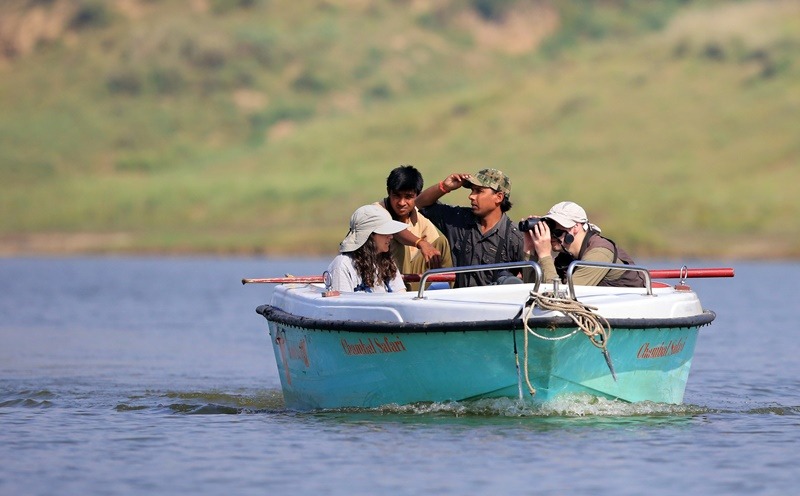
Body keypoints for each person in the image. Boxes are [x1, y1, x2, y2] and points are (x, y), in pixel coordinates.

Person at [415, 168, 525, 287]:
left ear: (499, 197)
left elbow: (532, 280)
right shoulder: (459, 220)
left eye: (479, 191)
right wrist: (444, 187)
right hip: (461, 303)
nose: (471, 196)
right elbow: (420, 204)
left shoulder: (515, 237)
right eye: (472, 190)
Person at [523, 201, 645, 287]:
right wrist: (530, 249)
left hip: (630, 310)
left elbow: (561, 299)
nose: (551, 235)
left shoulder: (600, 253)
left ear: (576, 227)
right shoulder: (566, 258)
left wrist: (545, 255)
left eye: (557, 230)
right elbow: (533, 290)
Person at [376, 165, 453, 290]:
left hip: (410, 279)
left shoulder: (419, 216)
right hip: (380, 279)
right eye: (396, 196)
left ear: (417, 196)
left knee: (442, 243)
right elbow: (396, 231)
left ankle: (458, 291)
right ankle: (402, 290)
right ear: (388, 192)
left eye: (408, 197)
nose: (401, 203)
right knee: (401, 244)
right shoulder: (377, 211)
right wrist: (420, 243)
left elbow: (433, 246)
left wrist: (431, 252)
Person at [327, 204, 408, 293]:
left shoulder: (387, 262)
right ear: (369, 236)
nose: (391, 236)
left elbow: (400, 295)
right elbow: (341, 304)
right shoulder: (342, 265)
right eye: (385, 232)